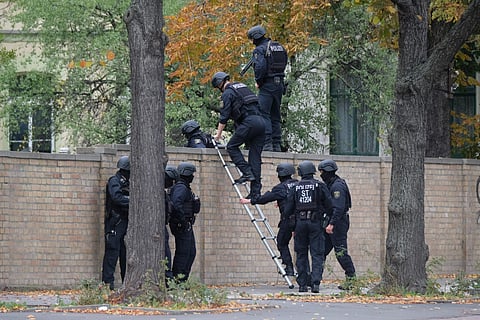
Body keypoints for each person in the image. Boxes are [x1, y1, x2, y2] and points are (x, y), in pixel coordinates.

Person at [211, 71, 266, 200]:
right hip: (262, 123)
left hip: (250, 123)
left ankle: (246, 172)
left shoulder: (228, 93)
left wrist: (217, 135)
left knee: (232, 147)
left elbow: (224, 116)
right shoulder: (242, 87)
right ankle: (255, 192)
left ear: (219, 84)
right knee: (255, 157)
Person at [240, 163, 298, 276]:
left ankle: (289, 267)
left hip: (288, 220)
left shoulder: (280, 188)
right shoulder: (298, 184)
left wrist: (250, 201)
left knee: (281, 242)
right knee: (301, 247)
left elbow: (265, 199)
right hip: (301, 219)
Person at [284, 160, 332, 293]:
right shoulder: (319, 186)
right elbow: (329, 205)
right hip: (315, 223)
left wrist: (291, 225)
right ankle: (315, 284)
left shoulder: (295, 187)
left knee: (301, 254)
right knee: (317, 253)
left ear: (300, 172)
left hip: (300, 224)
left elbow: (288, 209)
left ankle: (303, 285)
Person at [247, 25, 288, 152]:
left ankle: (267, 144)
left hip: (267, 85)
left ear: (255, 37)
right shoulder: (278, 47)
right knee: (275, 114)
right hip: (279, 84)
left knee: (263, 114)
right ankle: (276, 144)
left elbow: (260, 68)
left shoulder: (260, 50)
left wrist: (259, 81)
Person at [318, 159, 356, 290]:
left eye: (322, 172)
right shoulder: (331, 184)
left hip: (337, 223)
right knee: (321, 250)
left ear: (327, 171)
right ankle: (315, 279)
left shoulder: (337, 186)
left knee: (341, 252)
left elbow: (338, 208)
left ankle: (351, 280)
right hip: (331, 221)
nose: (321, 174)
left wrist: (331, 224)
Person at [169, 162, 201, 282]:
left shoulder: (184, 187)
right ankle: (178, 279)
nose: (193, 176)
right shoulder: (181, 188)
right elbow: (176, 204)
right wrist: (182, 221)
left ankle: (182, 279)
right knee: (184, 252)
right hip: (182, 225)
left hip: (185, 224)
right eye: (191, 174)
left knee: (190, 252)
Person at [102, 155, 130, 290]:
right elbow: (117, 198)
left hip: (124, 221)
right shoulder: (115, 181)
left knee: (125, 254)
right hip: (115, 221)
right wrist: (132, 200)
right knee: (112, 252)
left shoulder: (127, 182)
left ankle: (127, 282)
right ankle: (108, 283)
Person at [164, 164, 178, 281]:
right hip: (158, 228)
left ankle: (167, 277)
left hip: (163, 225)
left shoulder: (163, 191)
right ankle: (167, 277)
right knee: (165, 253)